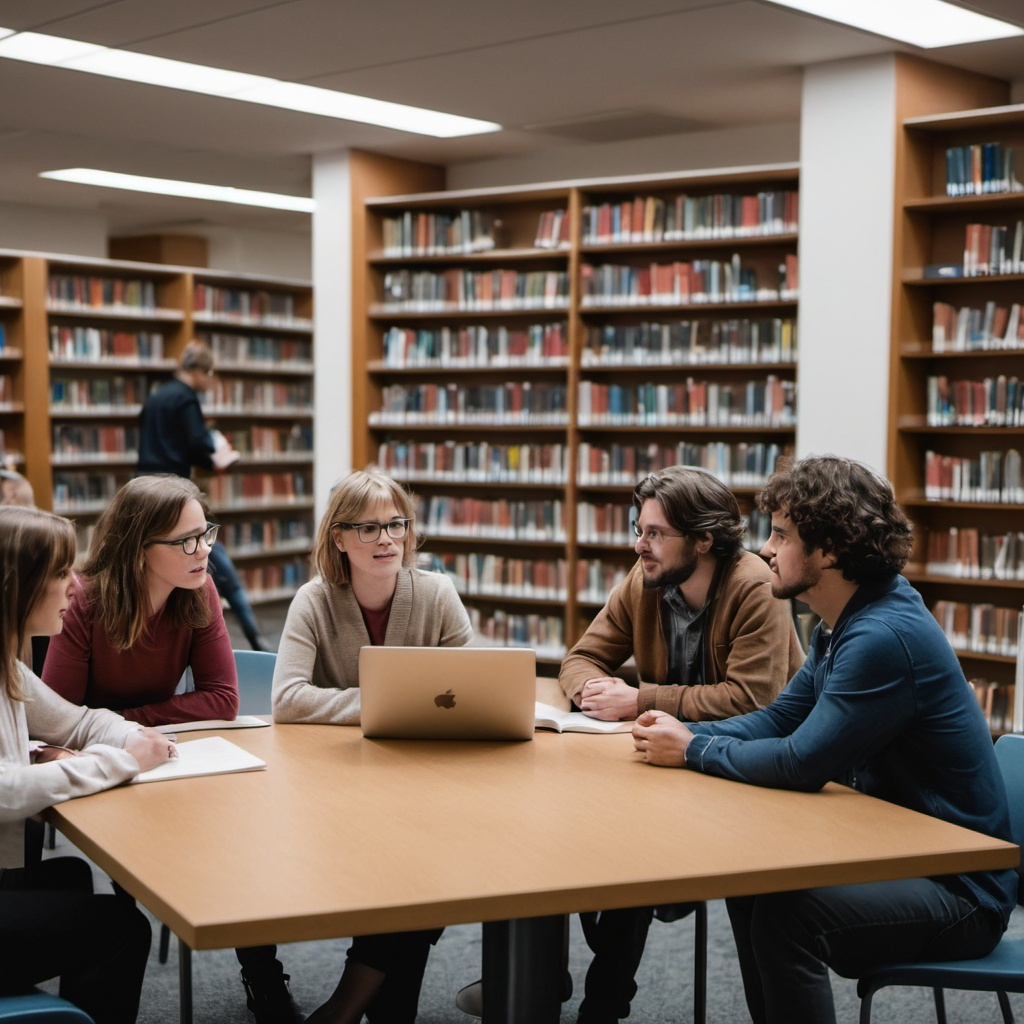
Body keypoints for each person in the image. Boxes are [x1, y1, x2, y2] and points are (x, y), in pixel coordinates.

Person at [632, 455, 1017, 1024]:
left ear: (830, 550)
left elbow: (801, 761)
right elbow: (779, 719)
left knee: (788, 916)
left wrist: (691, 750)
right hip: (896, 853)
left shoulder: (881, 635)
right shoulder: (842, 624)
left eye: (781, 535)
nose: (765, 550)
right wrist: (681, 732)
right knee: (753, 881)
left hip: (960, 892)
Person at [40, 475, 300, 1024]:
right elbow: (58, 715)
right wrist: (123, 734)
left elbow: (223, 699)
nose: (204, 550)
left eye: (206, 533)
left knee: (234, 835)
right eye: (186, 541)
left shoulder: (198, 591)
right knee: (144, 851)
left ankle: (262, 972)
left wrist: (129, 723)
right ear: (139, 549)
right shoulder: (84, 599)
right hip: (103, 764)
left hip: (170, 751)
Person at [552, 464, 805, 1024]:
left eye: (655, 533)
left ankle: (591, 998)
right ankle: (584, 998)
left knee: (649, 854)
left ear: (703, 539)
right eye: (638, 529)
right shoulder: (645, 579)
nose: (638, 545)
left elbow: (752, 701)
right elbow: (580, 657)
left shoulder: (754, 586)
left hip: (752, 771)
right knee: (606, 839)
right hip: (668, 765)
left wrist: (639, 699)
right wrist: (592, 689)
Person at [274, 469, 472, 1024]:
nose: (386, 540)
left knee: (424, 857)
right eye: (368, 528)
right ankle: (363, 1004)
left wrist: (402, 704)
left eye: (395, 525)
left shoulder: (436, 593)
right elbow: (286, 699)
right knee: (416, 865)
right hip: (341, 783)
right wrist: (392, 702)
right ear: (338, 537)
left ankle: (350, 1002)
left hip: (424, 780)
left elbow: (471, 688)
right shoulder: (314, 600)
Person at [0, 504, 174, 1024]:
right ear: (15, 585)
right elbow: (6, 791)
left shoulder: (8, 667)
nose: (76, 586)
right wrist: (119, 760)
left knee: (72, 875)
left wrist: (133, 737)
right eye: (60, 573)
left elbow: (75, 721)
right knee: (123, 929)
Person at [137, 338, 271, 652]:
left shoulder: (156, 397)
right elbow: (198, 444)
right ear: (198, 371)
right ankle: (257, 640)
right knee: (210, 551)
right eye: (210, 374)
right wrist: (218, 460)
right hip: (172, 492)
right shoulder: (186, 398)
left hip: (142, 490)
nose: (211, 382)